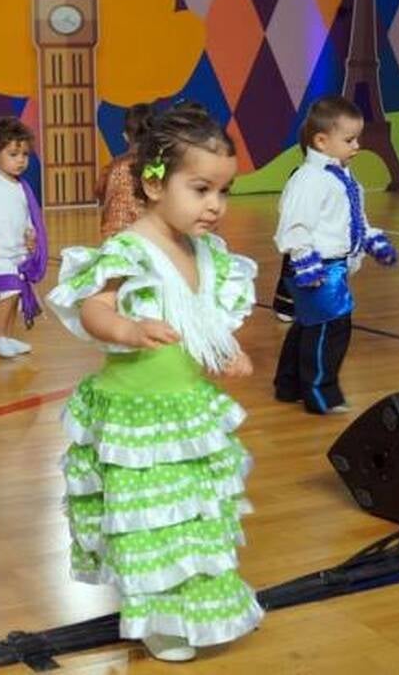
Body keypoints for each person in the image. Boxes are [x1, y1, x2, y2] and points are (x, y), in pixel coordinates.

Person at [46, 105, 263, 662]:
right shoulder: (131, 248)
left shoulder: (206, 253)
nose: (215, 205)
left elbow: (200, 322)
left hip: (186, 411)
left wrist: (227, 352)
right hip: (137, 419)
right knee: (150, 525)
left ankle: (192, 604)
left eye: (224, 191)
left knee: (191, 516)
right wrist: (126, 327)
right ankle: (157, 619)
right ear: (154, 184)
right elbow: (94, 306)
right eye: (201, 189)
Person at [272, 96, 397, 415]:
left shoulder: (341, 175)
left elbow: (353, 217)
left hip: (333, 266)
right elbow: (295, 223)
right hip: (319, 268)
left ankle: (288, 384)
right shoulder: (310, 179)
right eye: (349, 140)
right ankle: (320, 394)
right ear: (321, 141)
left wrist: (371, 239)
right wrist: (305, 260)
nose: (357, 146)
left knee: (309, 324)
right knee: (331, 328)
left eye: (357, 139)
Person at [0, 117, 48, 359]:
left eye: (25, 155)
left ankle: (7, 336)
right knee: (10, 291)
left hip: (16, 254)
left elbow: (27, 217)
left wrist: (30, 234)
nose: (20, 160)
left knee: (15, 295)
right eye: (13, 154)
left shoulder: (22, 188)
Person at [97, 103, 153, 239]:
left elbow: (99, 192)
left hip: (114, 239)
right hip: (147, 237)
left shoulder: (113, 167)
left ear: (126, 136)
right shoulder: (159, 166)